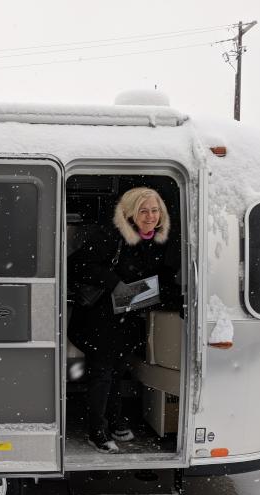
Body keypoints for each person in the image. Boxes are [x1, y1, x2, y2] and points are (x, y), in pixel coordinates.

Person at [68, 187, 179, 453]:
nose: (150, 216)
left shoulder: (159, 240)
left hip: (127, 317)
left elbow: (161, 275)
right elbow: (77, 265)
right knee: (103, 373)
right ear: (131, 212)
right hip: (99, 318)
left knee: (119, 370)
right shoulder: (112, 235)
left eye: (154, 210)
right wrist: (114, 283)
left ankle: (115, 420)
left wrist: (174, 297)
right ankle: (97, 429)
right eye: (143, 210)